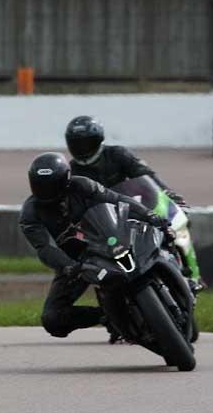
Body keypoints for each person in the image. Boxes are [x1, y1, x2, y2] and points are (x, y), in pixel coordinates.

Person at [19, 152, 173, 339]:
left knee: (161, 238)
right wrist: (69, 266)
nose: (46, 191)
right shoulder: (30, 213)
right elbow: (43, 248)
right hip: (77, 262)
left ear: (66, 179)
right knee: (52, 319)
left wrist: (149, 215)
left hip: (110, 239)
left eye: (51, 185)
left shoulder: (82, 185)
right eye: (40, 185)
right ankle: (108, 317)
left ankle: (177, 276)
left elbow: (117, 199)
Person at [64, 115, 202, 292]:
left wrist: (169, 195)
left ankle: (192, 275)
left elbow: (146, 175)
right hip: (105, 222)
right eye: (77, 143)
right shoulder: (72, 171)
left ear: (98, 140)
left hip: (135, 207)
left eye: (86, 142)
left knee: (176, 219)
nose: (82, 148)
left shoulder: (117, 154)